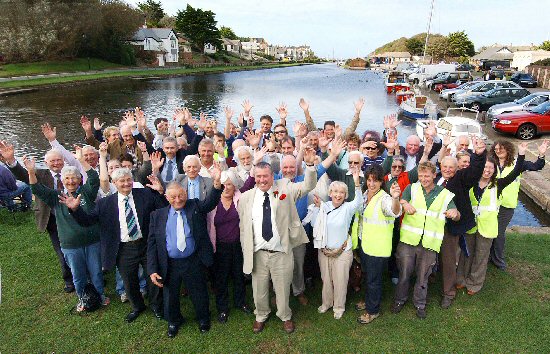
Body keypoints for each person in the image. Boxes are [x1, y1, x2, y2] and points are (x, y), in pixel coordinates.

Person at [64, 168, 167, 323]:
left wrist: (160, 192)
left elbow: (163, 209)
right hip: (124, 249)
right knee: (129, 280)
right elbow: (88, 221)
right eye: (121, 181)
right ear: (114, 183)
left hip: (146, 245)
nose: (126, 183)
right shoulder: (104, 204)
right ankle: (137, 307)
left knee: (152, 276)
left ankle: (157, 306)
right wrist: (76, 210)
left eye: (128, 180)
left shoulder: (145, 194)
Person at [238, 156, 317, 334]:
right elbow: (244, 227)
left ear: (272, 175)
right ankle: (261, 315)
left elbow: (308, 186)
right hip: (258, 253)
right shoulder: (245, 198)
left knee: (282, 288)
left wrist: (310, 166)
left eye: (265, 176)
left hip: (281, 251)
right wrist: (247, 250)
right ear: (254, 177)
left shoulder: (285, 188)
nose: (262, 180)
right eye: (258, 176)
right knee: (259, 289)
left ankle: (285, 315)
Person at [26, 148, 108, 311]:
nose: (71, 181)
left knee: (96, 273)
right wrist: (31, 172)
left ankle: (100, 295)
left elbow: (93, 178)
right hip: (70, 244)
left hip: (92, 241)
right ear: (62, 181)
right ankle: (82, 299)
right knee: (78, 276)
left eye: (74, 178)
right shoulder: (56, 197)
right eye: (67, 178)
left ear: (79, 180)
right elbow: (37, 189)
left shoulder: (86, 193)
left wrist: (81, 160)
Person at [147, 172, 223, 337]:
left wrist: (217, 184)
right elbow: (152, 244)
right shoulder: (157, 216)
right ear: (166, 197)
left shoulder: (194, 206)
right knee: (170, 296)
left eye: (181, 196)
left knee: (199, 292)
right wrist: (152, 268)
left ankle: (203, 319)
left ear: (186, 194)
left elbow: (210, 202)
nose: (178, 200)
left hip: (193, 260)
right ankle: (174, 321)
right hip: (170, 263)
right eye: (173, 197)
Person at [1, 142, 75, 293]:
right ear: (46, 163)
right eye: (52, 161)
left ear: (63, 161)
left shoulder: (71, 173)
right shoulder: (40, 174)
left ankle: (85, 274)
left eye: (59, 160)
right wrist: (11, 161)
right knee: (61, 249)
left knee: (77, 246)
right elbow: (23, 174)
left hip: (72, 216)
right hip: (52, 218)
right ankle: (69, 279)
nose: (56, 163)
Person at [392, 161, 460, 319]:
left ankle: (420, 304)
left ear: (434, 175)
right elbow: (402, 201)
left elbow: (456, 214)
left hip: (430, 244)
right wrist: (405, 203)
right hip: (408, 241)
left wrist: (454, 213)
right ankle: (399, 300)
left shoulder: (444, 194)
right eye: (421, 176)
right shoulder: (412, 188)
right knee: (404, 273)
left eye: (427, 176)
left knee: (423, 276)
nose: (423, 179)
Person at [456, 145, 527, 295]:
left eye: (490, 168)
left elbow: (515, 172)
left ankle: (474, 284)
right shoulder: (470, 182)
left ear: (494, 170)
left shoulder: (498, 185)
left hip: (487, 227)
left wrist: (521, 154)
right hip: (470, 225)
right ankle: (461, 279)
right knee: (466, 254)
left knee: (481, 256)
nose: (487, 171)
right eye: (485, 167)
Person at [436, 136, 487, 309]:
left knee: (449, 261)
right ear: (440, 167)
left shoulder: (461, 179)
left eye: (452, 167)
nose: (448, 169)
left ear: (457, 168)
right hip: (431, 227)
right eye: (445, 166)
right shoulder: (435, 180)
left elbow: (474, 172)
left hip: (451, 228)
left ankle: (448, 293)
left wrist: (479, 155)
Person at [351, 164, 402, 324]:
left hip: (377, 248)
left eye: (376, 181)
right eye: (369, 180)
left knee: (374, 280)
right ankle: (369, 300)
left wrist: (395, 198)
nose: (371, 184)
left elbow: (394, 211)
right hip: (365, 244)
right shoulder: (366, 194)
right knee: (368, 276)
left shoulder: (385, 198)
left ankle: (373, 311)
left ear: (381, 182)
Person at [489, 139, 547, 270]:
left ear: (508, 149)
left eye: (501, 149)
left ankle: (498, 260)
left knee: (499, 232)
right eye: (496, 149)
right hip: (491, 204)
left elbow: (537, 166)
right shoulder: (492, 163)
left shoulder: (517, 163)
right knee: (489, 230)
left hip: (507, 205)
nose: (498, 151)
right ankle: (488, 255)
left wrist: (541, 154)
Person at [206, 169, 255, 324]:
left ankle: (241, 302)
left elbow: (250, 183)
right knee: (221, 279)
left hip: (238, 245)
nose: (226, 188)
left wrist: (253, 167)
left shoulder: (241, 198)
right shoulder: (213, 201)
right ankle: (222, 308)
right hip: (219, 247)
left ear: (235, 186)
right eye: (223, 185)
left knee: (239, 276)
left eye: (229, 184)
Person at [313, 171, 363, 319]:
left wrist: (357, 183)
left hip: (342, 251)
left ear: (345, 195)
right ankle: (326, 303)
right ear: (330, 192)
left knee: (341, 280)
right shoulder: (324, 206)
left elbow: (359, 201)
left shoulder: (348, 208)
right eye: (335, 191)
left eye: (342, 192)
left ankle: (339, 307)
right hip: (324, 251)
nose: (338, 195)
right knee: (326, 279)